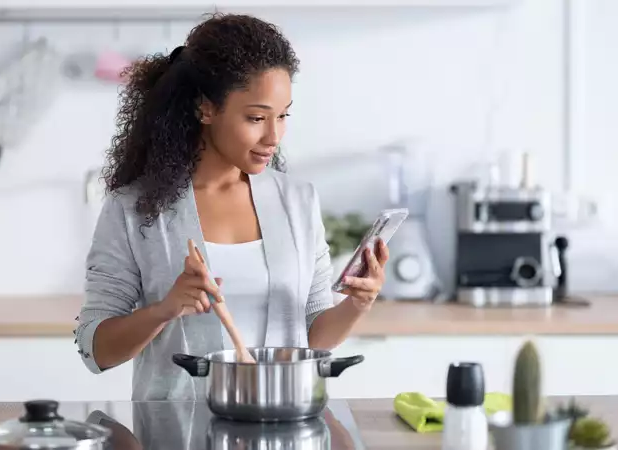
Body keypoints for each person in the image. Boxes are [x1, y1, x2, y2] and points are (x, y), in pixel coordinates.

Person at [75, 13, 389, 401]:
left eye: (283, 115)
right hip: (177, 433)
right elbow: (96, 349)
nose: (274, 136)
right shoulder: (135, 208)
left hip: (284, 423)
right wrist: (164, 309)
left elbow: (313, 338)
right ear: (206, 109)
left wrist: (358, 303)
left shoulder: (297, 201)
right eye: (256, 117)